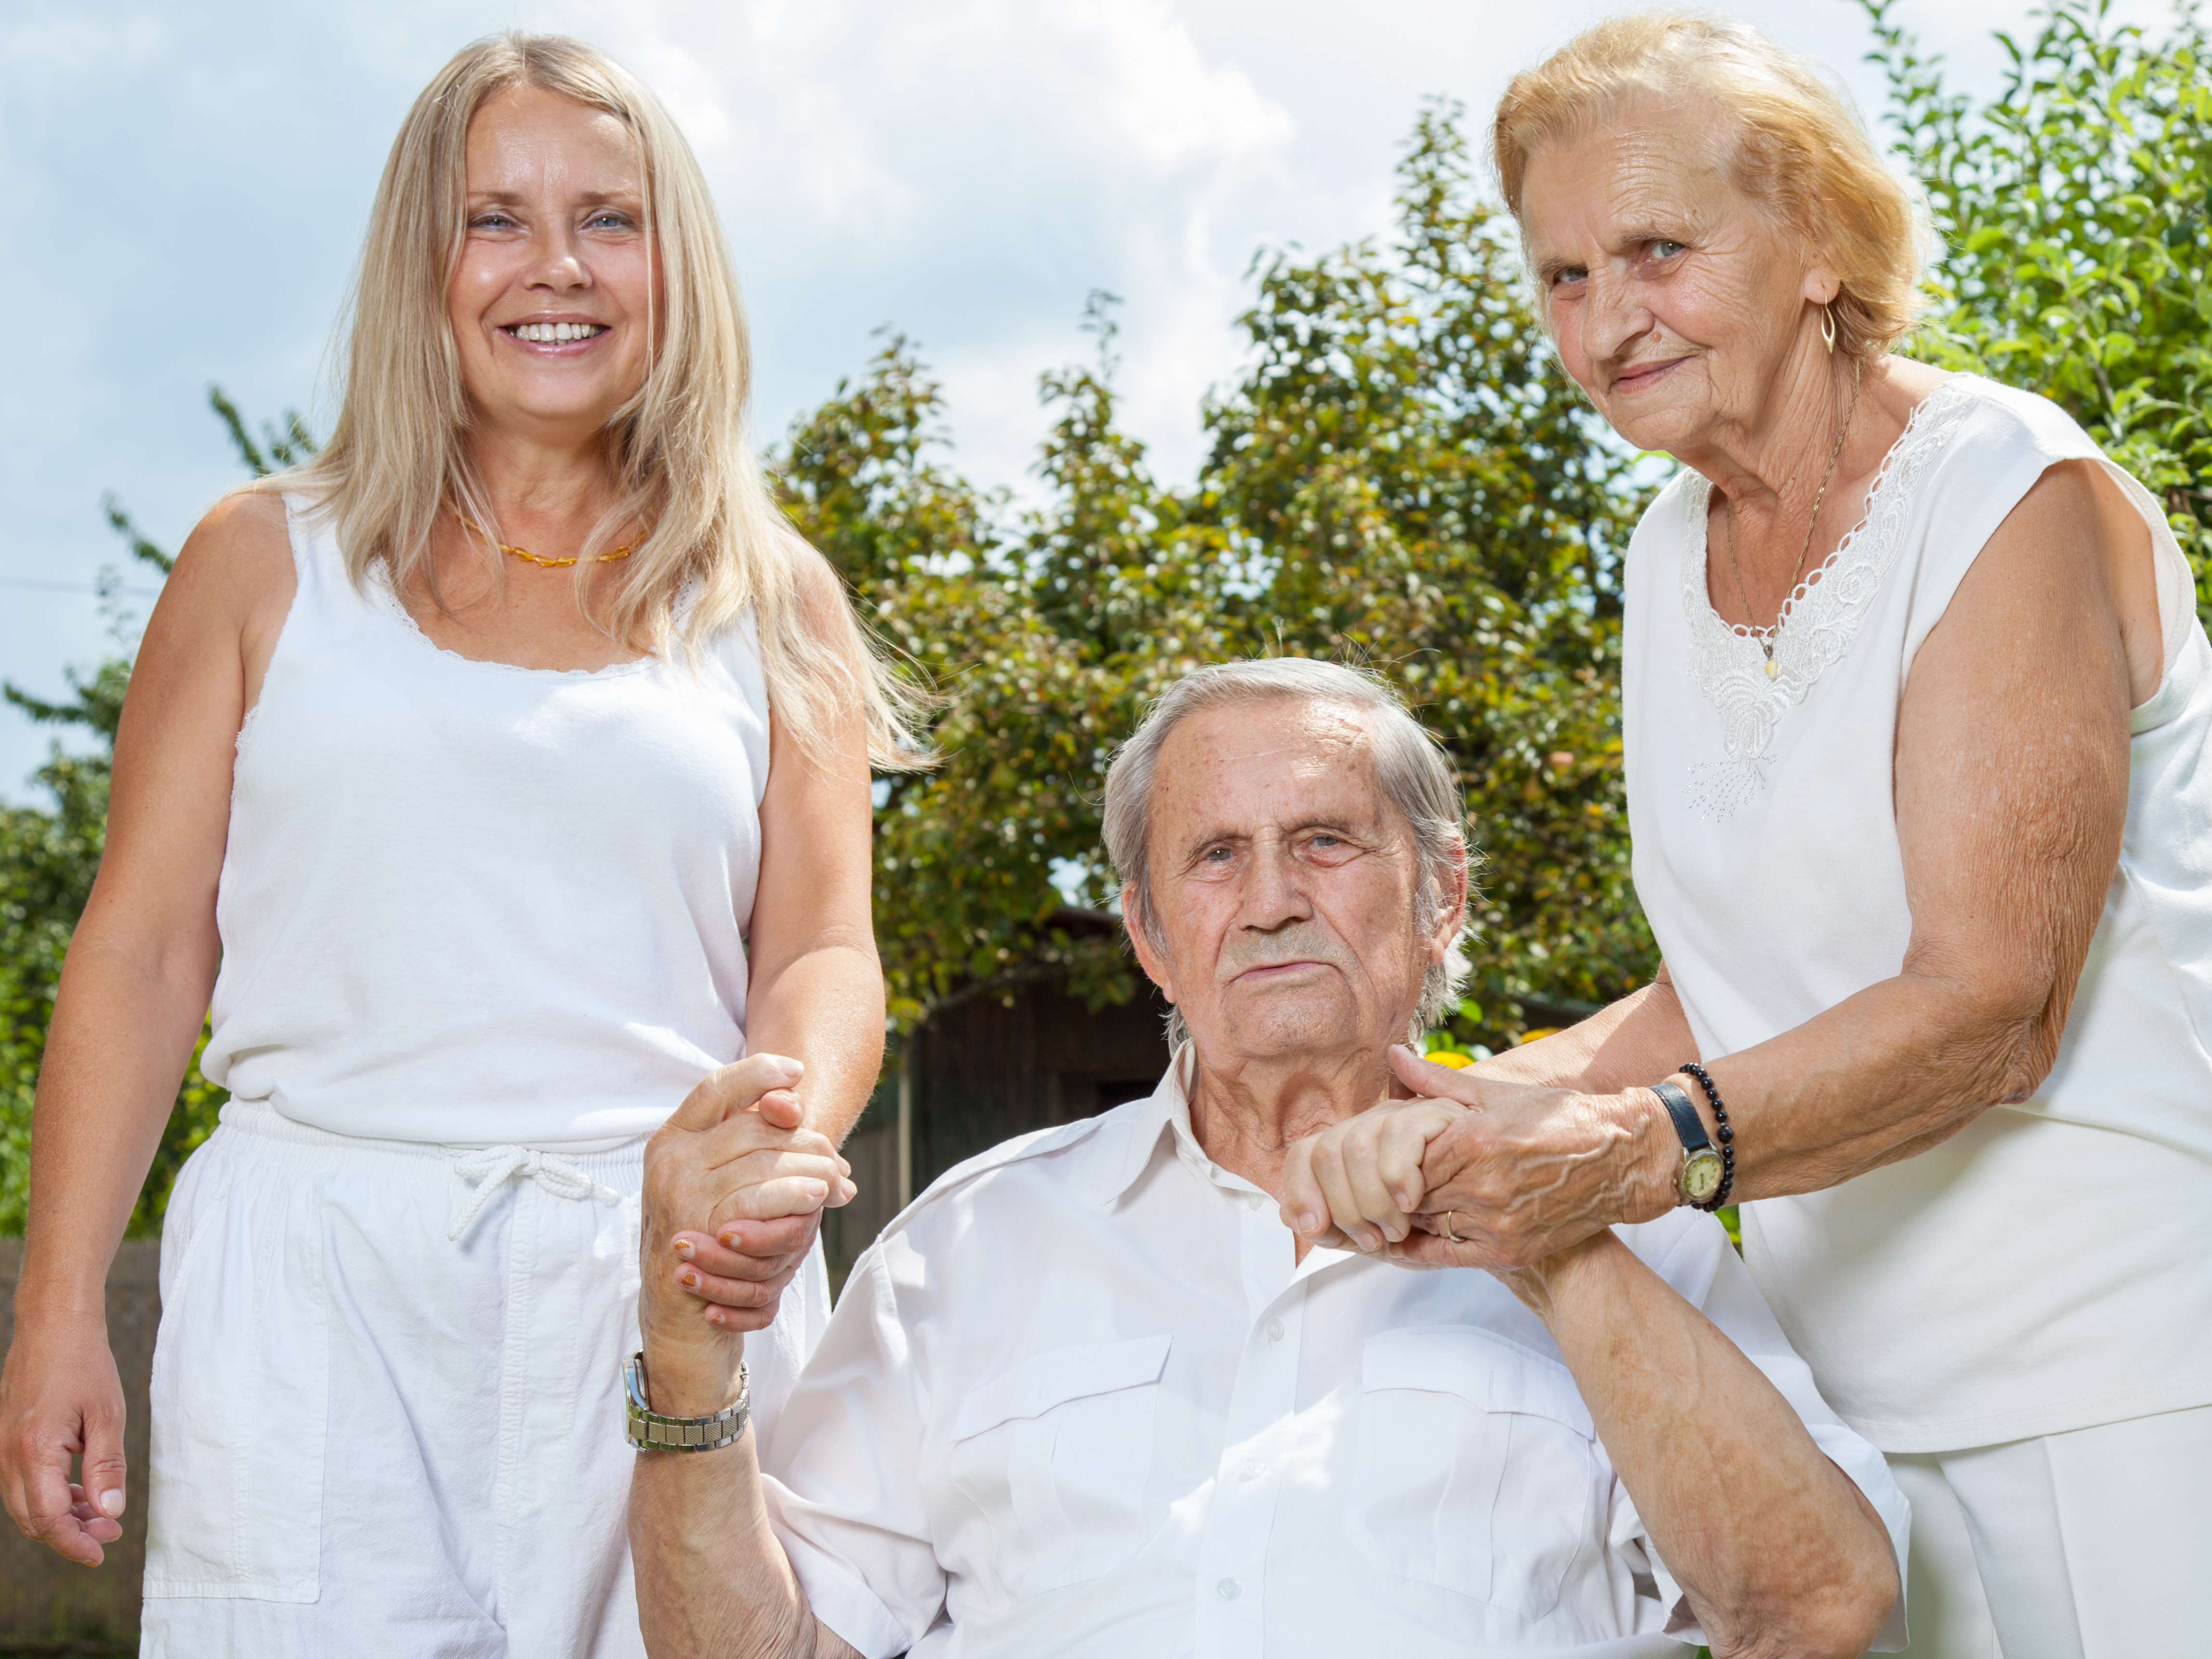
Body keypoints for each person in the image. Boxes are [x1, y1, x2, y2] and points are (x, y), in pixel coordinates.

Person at [1277, 10, 2212, 1658]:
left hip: (2148, 1373)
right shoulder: (1667, 554)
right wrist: (1460, 1099)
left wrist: (1640, 1149)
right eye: (1563, 276)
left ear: (1814, 239)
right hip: (1854, 1397)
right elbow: (1738, 975)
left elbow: (1993, 1005)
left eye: (1657, 249)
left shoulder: (2003, 492)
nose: (1604, 319)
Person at [0, 33, 914, 1656]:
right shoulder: (258, 561)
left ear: (675, 263)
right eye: (496, 218)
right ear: (422, 262)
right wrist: (59, 1306)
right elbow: (140, 953)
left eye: (609, 220)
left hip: (671, 1280)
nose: (555, 267)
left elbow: (825, 949)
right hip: (313, 1302)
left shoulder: (772, 597)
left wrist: (773, 1153)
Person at [628, 658, 1906, 1659]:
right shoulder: (968, 1248)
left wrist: (1544, 1234)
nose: (1274, 899)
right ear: (1148, 932)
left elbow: (1817, 1611)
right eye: (1218, 856)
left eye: (1328, 841)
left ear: (1440, 894)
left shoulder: (1622, 1220)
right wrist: (686, 1359)